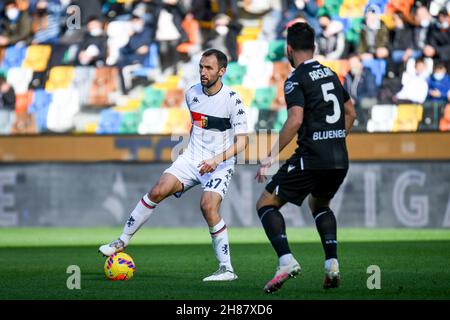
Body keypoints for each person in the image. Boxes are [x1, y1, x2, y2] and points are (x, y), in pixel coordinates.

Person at [99, 49, 249, 282]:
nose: (203, 72)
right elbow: (197, 127)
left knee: (208, 206)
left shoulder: (232, 100)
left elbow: (243, 142)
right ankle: (122, 240)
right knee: (157, 190)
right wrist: (193, 155)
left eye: (208, 68)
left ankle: (226, 269)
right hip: (192, 158)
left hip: (220, 163)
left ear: (222, 71)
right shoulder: (192, 94)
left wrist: (216, 159)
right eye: (201, 66)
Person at [254, 22, 356, 293]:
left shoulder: (296, 79)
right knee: (320, 204)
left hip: (312, 157)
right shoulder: (332, 74)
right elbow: (351, 113)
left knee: (266, 203)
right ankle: (332, 264)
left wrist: (271, 156)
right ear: (314, 47)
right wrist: (334, 139)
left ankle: (286, 261)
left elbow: (295, 119)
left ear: (289, 49)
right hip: (339, 158)